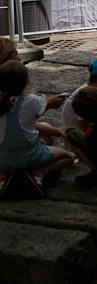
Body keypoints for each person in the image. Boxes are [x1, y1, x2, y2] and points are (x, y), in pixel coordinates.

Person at [0, 60, 72, 194]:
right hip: (30, 157)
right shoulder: (32, 100)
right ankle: (39, 173)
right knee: (69, 157)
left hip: (3, 160)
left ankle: (3, 176)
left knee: (45, 133)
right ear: (26, 82)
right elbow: (29, 121)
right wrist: (49, 104)